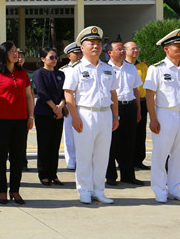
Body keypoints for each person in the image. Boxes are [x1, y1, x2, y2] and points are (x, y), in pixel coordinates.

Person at [63, 27, 119, 205]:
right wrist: (75, 117)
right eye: (91, 43)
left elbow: (113, 93)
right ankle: (85, 190)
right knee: (84, 155)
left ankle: (99, 190)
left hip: (105, 114)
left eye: (98, 43)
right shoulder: (76, 69)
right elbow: (69, 93)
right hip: (85, 113)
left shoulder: (108, 68)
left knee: (102, 155)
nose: (95, 46)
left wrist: (115, 116)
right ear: (82, 47)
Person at [144, 28, 180, 203]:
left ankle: (175, 188)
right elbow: (150, 95)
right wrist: (153, 118)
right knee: (161, 154)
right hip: (165, 114)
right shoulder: (156, 69)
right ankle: (160, 189)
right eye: (178, 47)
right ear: (166, 49)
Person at [0, 41, 34, 205]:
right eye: (12, 51)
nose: (16, 54)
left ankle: (15, 190)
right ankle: (2, 190)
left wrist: (31, 116)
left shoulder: (23, 73)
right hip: (1, 121)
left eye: (16, 51)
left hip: (20, 121)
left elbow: (29, 96)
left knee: (17, 157)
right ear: (4, 54)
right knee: (0, 157)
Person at [105, 40, 145, 187]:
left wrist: (138, 110)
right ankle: (110, 176)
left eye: (123, 49)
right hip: (113, 108)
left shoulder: (131, 68)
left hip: (130, 107)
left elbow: (136, 90)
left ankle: (128, 175)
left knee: (129, 143)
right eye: (119, 49)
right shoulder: (105, 68)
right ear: (110, 53)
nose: (122, 51)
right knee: (112, 144)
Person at [32, 46, 66, 186]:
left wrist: (60, 107)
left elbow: (65, 92)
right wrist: (55, 108)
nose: (54, 60)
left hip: (58, 113)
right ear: (43, 59)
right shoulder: (39, 73)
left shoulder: (61, 74)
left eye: (56, 57)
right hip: (44, 113)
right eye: (51, 57)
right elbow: (42, 92)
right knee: (44, 144)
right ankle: (44, 174)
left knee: (55, 145)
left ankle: (53, 174)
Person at [124, 41, 150, 171]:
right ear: (125, 50)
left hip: (142, 102)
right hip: (128, 102)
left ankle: (138, 160)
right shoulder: (123, 66)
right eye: (132, 49)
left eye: (136, 48)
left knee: (140, 132)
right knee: (127, 133)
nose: (136, 51)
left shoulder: (143, 66)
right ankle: (125, 160)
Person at [61, 42, 83, 171]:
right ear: (69, 56)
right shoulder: (63, 70)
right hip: (69, 106)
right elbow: (61, 91)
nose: (79, 56)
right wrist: (63, 105)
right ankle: (71, 160)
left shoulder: (86, 68)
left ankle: (82, 159)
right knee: (69, 134)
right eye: (76, 53)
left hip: (83, 105)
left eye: (80, 53)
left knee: (84, 133)